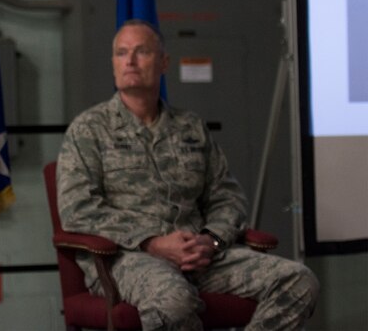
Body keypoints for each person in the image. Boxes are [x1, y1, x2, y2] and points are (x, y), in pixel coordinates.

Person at [56, 19, 319, 330]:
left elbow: (227, 196)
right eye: (121, 52)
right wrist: (151, 241)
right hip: (129, 259)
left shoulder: (190, 127)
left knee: (298, 280)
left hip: (200, 256)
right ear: (113, 63)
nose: (129, 60)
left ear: (164, 62)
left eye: (141, 51)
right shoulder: (88, 129)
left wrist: (213, 241)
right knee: (174, 301)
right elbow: (77, 210)